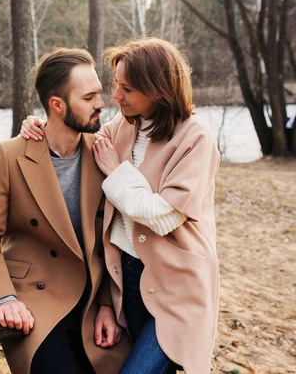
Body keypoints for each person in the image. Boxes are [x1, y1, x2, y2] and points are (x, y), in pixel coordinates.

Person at [20, 38, 220, 374]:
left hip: (178, 285)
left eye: (126, 88)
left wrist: (116, 172)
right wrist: (39, 123)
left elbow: (164, 216)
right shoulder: (124, 127)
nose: (116, 96)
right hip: (126, 278)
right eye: (116, 84)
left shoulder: (195, 137)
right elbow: (75, 134)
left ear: (157, 89)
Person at [0, 47, 131, 374]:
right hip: (34, 303)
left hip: (90, 301)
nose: (101, 103)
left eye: (99, 93)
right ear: (57, 105)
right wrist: (3, 298)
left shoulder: (102, 153)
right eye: (89, 97)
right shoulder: (11, 156)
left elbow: (108, 239)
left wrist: (106, 306)